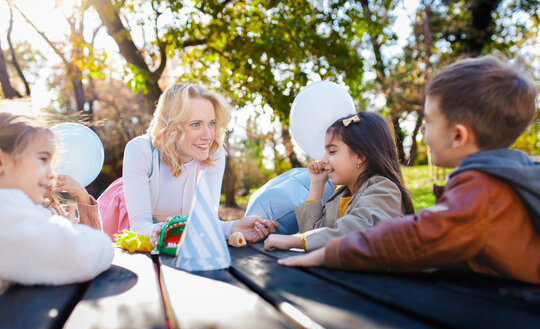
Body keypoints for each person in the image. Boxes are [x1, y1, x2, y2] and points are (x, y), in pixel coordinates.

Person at [279, 56, 540, 284]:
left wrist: (332, 253)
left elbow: (418, 238)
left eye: (428, 121)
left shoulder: (482, 191)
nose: (422, 130)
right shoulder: (496, 180)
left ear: (458, 136)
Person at [121, 83, 276, 247]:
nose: (208, 135)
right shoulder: (140, 150)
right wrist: (164, 230)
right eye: (196, 124)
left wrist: (233, 227)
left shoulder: (215, 154)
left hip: (185, 247)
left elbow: (205, 222)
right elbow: (138, 225)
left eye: (212, 123)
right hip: (140, 243)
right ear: (171, 127)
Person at [263, 112, 414, 252]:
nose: (323, 160)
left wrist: (294, 241)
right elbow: (311, 234)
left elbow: (354, 233)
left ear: (360, 156)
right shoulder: (341, 196)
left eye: (332, 151)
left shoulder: (383, 190)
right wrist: (317, 185)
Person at [0, 113, 113, 294]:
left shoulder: (24, 210)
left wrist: (63, 230)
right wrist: (66, 233)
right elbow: (83, 255)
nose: (53, 174)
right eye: (43, 159)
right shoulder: (5, 214)